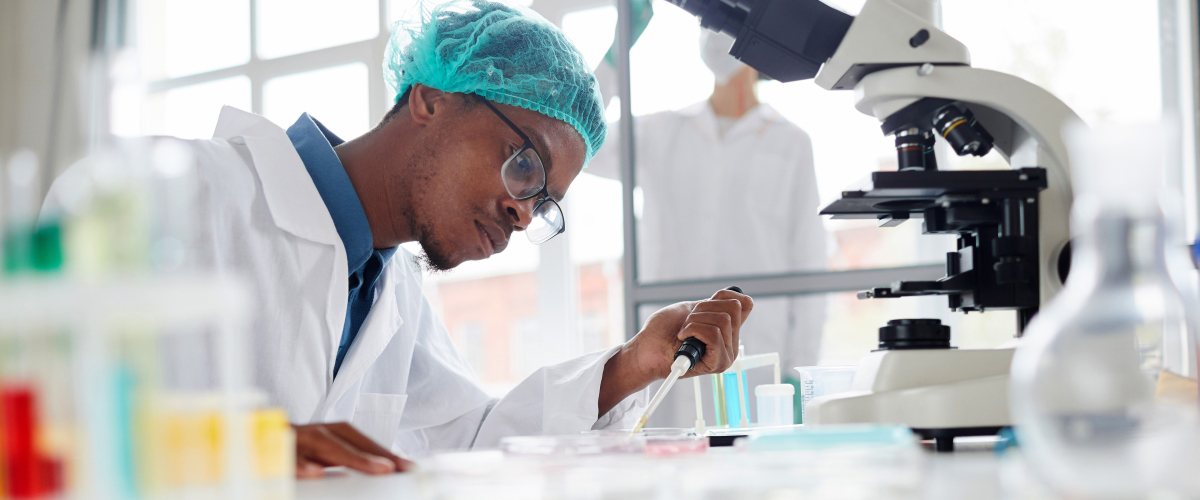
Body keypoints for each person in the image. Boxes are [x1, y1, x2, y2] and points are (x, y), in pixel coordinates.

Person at [44, 0, 753, 478]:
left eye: (544, 202)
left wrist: (631, 365)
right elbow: (38, 414)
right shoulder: (156, 190)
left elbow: (472, 447)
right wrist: (242, 453)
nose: (522, 211)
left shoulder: (391, 293)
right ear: (429, 99)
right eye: (525, 161)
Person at [588, 29, 828, 426]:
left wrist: (800, 373)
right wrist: (614, 57)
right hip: (661, 355)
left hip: (755, 363)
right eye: (709, 22)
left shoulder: (791, 143)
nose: (715, 33)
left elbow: (809, 260)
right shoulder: (661, 132)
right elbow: (580, 140)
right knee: (669, 478)